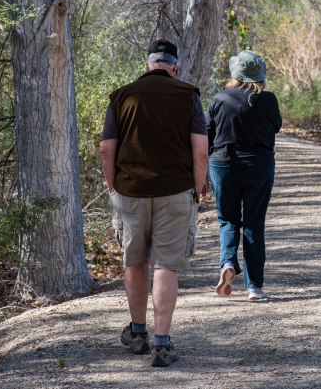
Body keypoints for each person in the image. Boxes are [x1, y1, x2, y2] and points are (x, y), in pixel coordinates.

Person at [99, 39, 209, 367]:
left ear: (149, 65)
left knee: (135, 263)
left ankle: (137, 334)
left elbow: (107, 149)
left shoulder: (122, 96)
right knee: (165, 266)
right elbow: (201, 149)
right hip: (175, 192)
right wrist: (198, 184)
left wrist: (112, 186)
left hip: (130, 192)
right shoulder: (188, 95)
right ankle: (162, 344)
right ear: (174, 66)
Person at [207, 50, 282, 301]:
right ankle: (254, 287)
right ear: (260, 76)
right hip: (258, 165)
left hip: (223, 164)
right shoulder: (268, 100)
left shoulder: (219, 99)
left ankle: (227, 262)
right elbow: (276, 126)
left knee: (228, 220)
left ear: (235, 74)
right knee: (253, 224)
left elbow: (207, 134)